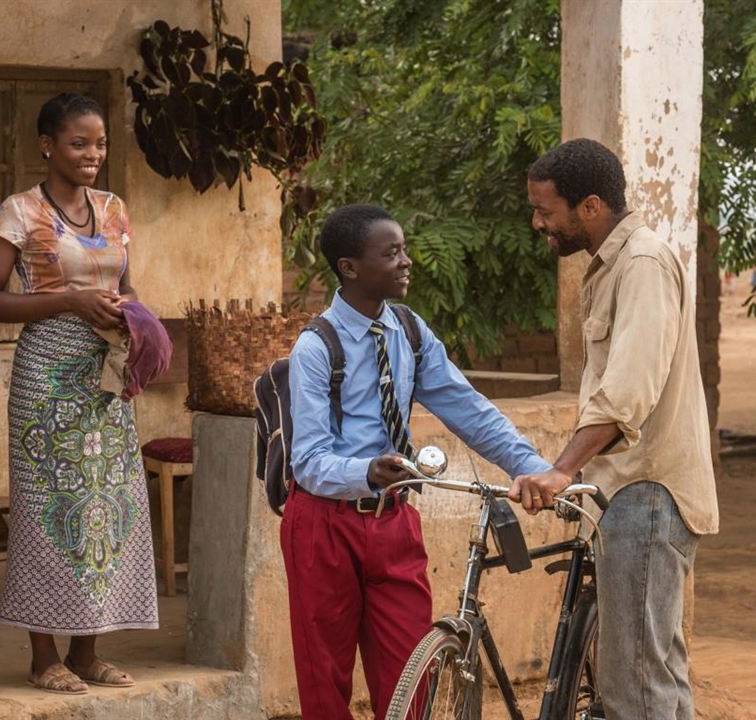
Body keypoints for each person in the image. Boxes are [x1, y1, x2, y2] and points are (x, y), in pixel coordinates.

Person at [285, 204, 551, 719]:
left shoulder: (408, 330)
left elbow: (468, 409)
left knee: (410, 673)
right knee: (324, 681)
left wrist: (533, 466)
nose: (407, 261)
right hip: (324, 523)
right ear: (350, 267)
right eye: (392, 253)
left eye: (404, 249)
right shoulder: (316, 348)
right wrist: (364, 471)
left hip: (394, 520)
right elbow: (309, 461)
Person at [512, 138, 719, 720]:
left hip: (646, 493)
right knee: (650, 673)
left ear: (590, 206)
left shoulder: (643, 263)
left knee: (635, 685)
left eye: (546, 211)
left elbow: (627, 390)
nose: (537, 223)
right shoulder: (613, 265)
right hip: (628, 494)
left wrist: (561, 469)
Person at [0, 93, 157, 695]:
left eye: (99, 143)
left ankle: (87, 650)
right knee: (50, 512)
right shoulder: (19, 211)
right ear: (47, 145)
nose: (92, 155)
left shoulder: (114, 208)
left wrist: (125, 312)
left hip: (106, 377)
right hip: (47, 374)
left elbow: (124, 282)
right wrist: (71, 300)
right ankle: (41, 655)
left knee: (107, 506)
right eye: (79, 143)